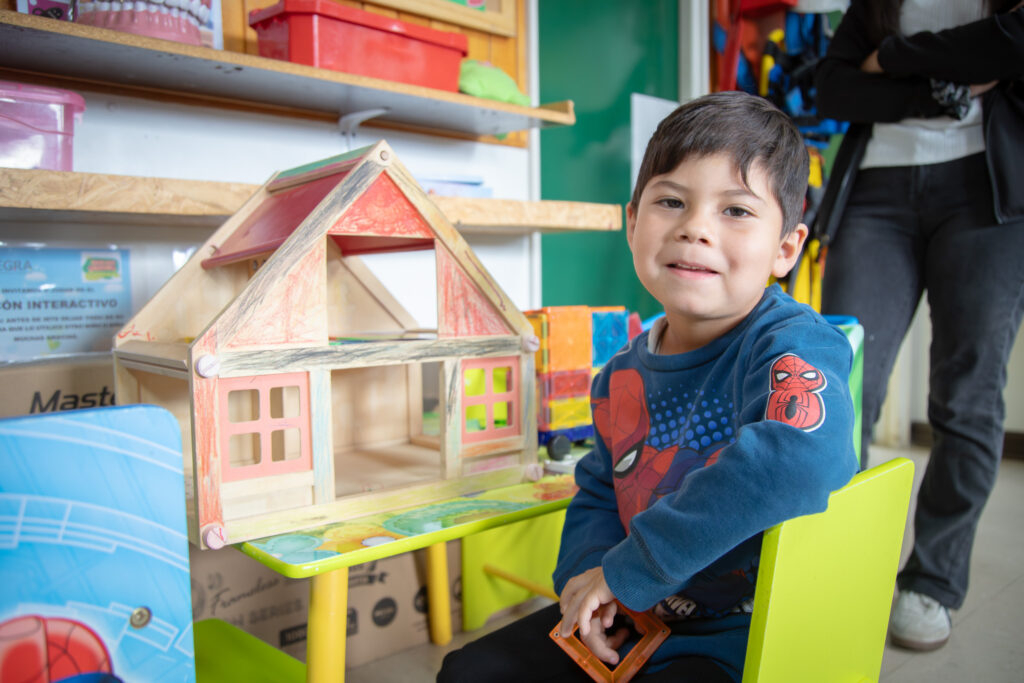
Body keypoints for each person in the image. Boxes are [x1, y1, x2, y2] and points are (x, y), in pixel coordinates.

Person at [437, 91, 858, 683]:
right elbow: (598, 492)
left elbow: (796, 461)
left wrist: (631, 568)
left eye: (736, 211)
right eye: (671, 201)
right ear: (633, 223)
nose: (695, 228)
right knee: (468, 673)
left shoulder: (794, 345)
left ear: (785, 248)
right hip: (632, 612)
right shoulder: (618, 378)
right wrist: (589, 582)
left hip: (745, 635)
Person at [815, 0, 1024, 653]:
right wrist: (945, 84)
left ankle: (932, 580)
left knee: (966, 397)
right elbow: (832, 88)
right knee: (837, 385)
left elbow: (1013, 46)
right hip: (874, 192)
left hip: (988, 191)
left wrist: (894, 59)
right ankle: (832, 560)